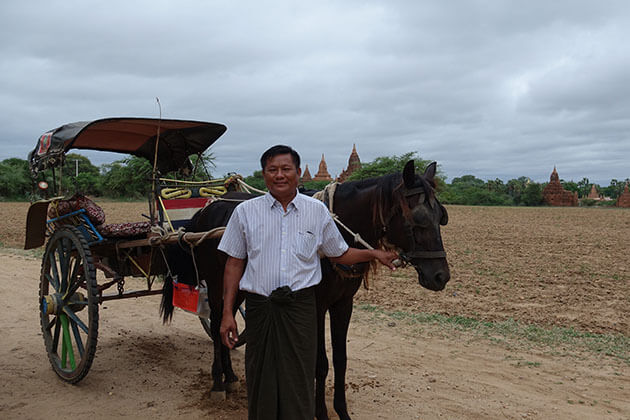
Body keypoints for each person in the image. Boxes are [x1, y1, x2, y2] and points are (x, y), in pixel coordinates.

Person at [218, 145, 397, 420]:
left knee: (299, 377)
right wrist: (228, 312)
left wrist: (374, 253)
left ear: (299, 173)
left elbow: (339, 253)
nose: (280, 175)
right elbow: (234, 264)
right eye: (272, 170)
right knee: (260, 377)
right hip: (260, 308)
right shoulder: (245, 212)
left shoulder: (317, 211)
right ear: (264, 175)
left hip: (300, 308)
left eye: (286, 169)